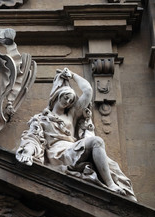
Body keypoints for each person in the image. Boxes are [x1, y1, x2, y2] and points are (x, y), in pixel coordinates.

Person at [16, 68, 136, 201]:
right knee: (97, 142)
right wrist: (27, 152)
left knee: (99, 145)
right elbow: (32, 138)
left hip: (73, 147)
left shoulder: (71, 115)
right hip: (58, 153)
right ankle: (110, 184)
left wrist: (73, 75)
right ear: (58, 96)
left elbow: (88, 91)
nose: (67, 101)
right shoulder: (40, 119)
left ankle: (111, 184)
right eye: (65, 97)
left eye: (70, 100)